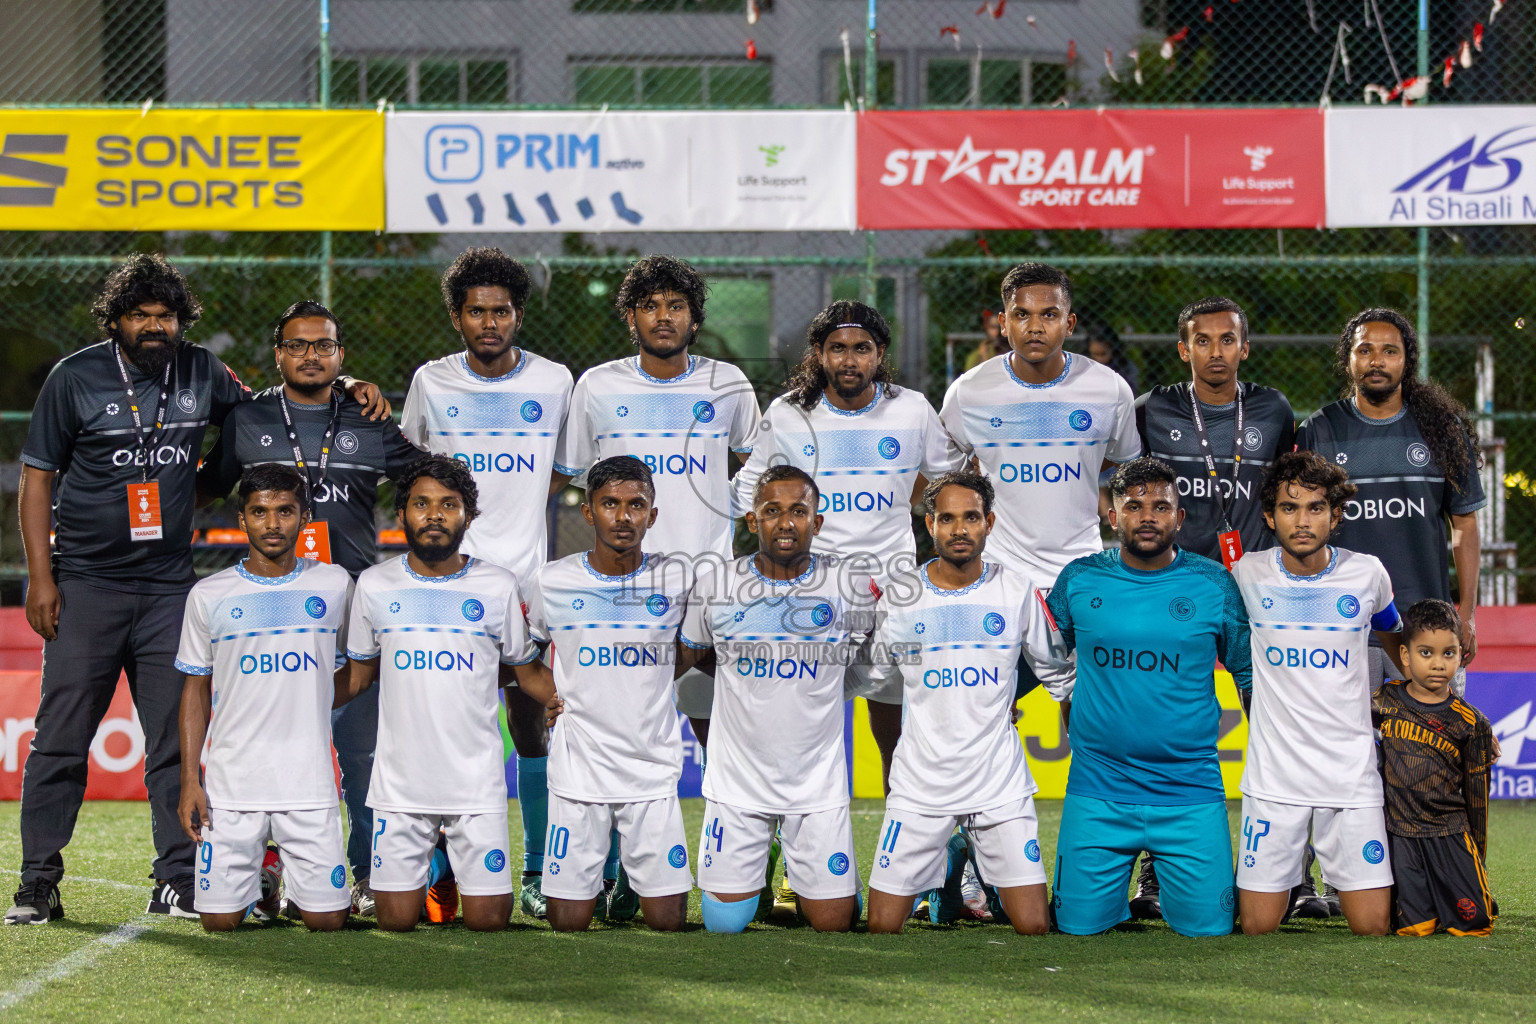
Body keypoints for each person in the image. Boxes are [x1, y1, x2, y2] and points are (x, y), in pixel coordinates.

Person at [8, 253, 385, 926]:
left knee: (172, 745)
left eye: (166, 316)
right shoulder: (76, 377)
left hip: (168, 586)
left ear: (182, 320)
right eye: (140, 315)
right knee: (61, 738)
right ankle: (38, 882)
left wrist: (341, 380)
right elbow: (37, 479)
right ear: (116, 319)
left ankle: (176, 879)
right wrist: (42, 575)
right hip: (88, 582)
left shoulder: (205, 370)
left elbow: (264, 417)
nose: (154, 326)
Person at [196, 299, 423, 916]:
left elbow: (428, 480)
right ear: (278, 355)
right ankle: (266, 874)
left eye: (323, 346)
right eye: (298, 345)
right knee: (270, 740)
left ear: (340, 356)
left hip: (352, 607)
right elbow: (203, 487)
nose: (310, 355)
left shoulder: (368, 418)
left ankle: (366, 874)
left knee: (361, 750)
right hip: (270, 605)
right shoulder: (248, 418)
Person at [732, 300, 965, 806]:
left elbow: (953, 480)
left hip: (894, 590)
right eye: (837, 348)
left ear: (879, 354)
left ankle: (907, 851)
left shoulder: (911, 408)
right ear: (819, 354)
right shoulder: (789, 413)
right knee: (804, 732)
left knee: (901, 733)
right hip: (811, 593)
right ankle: (796, 863)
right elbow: (747, 488)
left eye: (862, 348)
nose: (849, 359)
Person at [399, 247, 574, 920]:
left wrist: (517, 509)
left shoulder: (556, 381)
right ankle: (441, 868)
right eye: (477, 311)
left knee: (530, 728)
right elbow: (415, 470)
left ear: (519, 315)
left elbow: (565, 469)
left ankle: (535, 869)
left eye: (501, 311)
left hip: (526, 587)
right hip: (446, 587)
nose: (490, 322)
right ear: (457, 317)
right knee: (446, 726)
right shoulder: (431, 383)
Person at [1127, 297, 1296, 919]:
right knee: (1167, 728)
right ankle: (1154, 872)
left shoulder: (1275, 410)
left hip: (1256, 593)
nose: (1216, 352)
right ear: (1184, 348)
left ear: (1244, 348)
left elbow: (1293, 491)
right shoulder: (1153, 410)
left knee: (1278, 728)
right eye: (1203, 341)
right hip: (1178, 594)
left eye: (1228, 340)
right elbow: (1121, 485)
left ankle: (1291, 870)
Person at [553, 255, 758, 755]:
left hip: (705, 575)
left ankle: (739, 831)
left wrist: (726, 504)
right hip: (620, 583)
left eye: (676, 305)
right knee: (612, 723)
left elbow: (759, 461)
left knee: (718, 728)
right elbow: (573, 470)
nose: (663, 316)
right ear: (631, 316)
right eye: (649, 305)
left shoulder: (727, 382)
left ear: (694, 316)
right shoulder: (597, 385)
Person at [338, 454, 545, 933]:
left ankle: (446, 863)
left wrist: (577, 699)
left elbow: (526, 671)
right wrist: (296, 698)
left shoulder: (496, 585)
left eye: (448, 504)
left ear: (468, 517)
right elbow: (358, 675)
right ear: (402, 515)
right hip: (399, 791)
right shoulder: (374, 584)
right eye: (421, 504)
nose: (434, 514)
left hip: (475, 787)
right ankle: (435, 862)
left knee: (489, 922)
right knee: (395, 922)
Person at [1046, 457, 1251, 938]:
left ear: (1179, 519)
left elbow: (1249, 677)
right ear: (1112, 517)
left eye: (1161, 506)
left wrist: (1270, 747)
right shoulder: (1078, 580)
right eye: (1133, 506)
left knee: (1212, 932)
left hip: (1189, 792)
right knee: (1074, 928)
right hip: (1097, 791)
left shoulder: (1214, 583)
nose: (1147, 516)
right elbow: (1038, 659)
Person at [865, 471, 1072, 936]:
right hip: (921, 784)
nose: (960, 529)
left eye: (971, 517)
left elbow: (1059, 672)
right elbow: (868, 674)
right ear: (930, 524)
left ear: (990, 522)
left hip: (998, 782)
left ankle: (979, 868)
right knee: (881, 926)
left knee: (1034, 927)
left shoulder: (1016, 589)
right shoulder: (901, 596)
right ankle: (953, 860)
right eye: (948, 518)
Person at [682, 466, 877, 934]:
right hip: (737, 786)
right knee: (722, 925)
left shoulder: (849, 584)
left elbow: (869, 653)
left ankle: (816, 875)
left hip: (817, 786)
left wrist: (832, 685)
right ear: (753, 521)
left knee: (833, 924)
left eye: (798, 511)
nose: (786, 522)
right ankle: (766, 858)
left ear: (818, 521)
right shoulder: (715, 584)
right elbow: (689, 655)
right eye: (772, 511)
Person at [516, 457, 702, 933]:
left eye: (636, 505)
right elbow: (524, 660)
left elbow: (689, 652)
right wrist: (552, 695)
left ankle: (632, 881)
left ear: (652, 515)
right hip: (579, 774)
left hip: (652, 773)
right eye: (611, 504)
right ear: (589, 513)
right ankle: (601, 878)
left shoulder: (679, 579)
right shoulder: (552, 580)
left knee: (668, 922)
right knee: (568, 922)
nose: (624, 517)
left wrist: (655, 672)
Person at [173, 464, 352, 933]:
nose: (272, 524)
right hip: (234, 784)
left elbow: (359, 666)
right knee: (217, 923)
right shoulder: (208, 594)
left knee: (329, 920)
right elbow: (195, 689)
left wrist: (312, 699)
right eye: (260, 512)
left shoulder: (335, 586)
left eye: (285, 511)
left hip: (307, 781)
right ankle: (269, 875)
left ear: (305, 518)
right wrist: (191, 779)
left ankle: (275, 874)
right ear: (242, 520)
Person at [1231, 451, 1401, 936]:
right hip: (1274, 779)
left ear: (1336, 514)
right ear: (1269, 516)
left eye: (1315, 508)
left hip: (1350, 776)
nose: (1302, 521)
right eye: (1289, 508)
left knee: (1372, 927)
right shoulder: (1246, 574)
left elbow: (1396, 642)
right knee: (1257, 928)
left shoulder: (1368, 574)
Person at [1296, 308, 1484, 691]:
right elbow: (1301, 528)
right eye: (1365, 350)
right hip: (1344, 631)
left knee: (1428, 751)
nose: (1376, 361)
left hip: (1425, 634)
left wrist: (1466, 614)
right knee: (1349, 752)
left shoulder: (1442, 430)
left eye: (1389, 351)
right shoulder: (1320, 429)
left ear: (1407, 360)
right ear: (1348, 359)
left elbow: (1464, 524)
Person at [1374, 600, 1498, 937]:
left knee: (1475, 923)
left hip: (1449, 832)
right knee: (1415, 927)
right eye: (1426, 653)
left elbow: (1478, 800)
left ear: (1461, 655)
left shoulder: (1471, 722)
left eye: (1448, 653)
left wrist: (1477, 857)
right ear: (1404, 656)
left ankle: (1470, 884)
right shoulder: (1385, 700)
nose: (1438, 664)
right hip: (1401, 835)